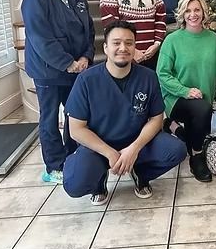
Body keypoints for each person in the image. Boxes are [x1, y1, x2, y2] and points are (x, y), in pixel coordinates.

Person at [62, 20, 187, 205]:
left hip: (136, 144)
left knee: (176, 150)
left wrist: (134, 149)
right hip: (98, 148)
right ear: (105, 48)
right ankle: (98, 182)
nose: (123, 48)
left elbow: (156, 119)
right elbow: (76, 129)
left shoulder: (148, 77)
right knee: (74, 183)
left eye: (129, 43)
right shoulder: (86, 80)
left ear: (135, 47)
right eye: (116, 43)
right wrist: (110, 153)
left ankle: (139, 173)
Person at [21, 0, 94, 184]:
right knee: (50, 118)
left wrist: (85, 57)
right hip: (49, 71)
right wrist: (67, 64)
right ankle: (54, 165)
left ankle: (72, 157)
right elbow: (41, 38)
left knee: (75, 115)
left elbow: (89, 32)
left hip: (77, 68)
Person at [156, 0, 216, 182]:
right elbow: (162, 73)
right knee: (201, 110)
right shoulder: (172, 40)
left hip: (201, 99)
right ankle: (196, 157)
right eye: (188, 10)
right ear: (182, 14)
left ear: (203, 12)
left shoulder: (212, 38)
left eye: (197, 10)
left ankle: (176, 130)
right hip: (175, 98)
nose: (193, 14)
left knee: (200, 120)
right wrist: (185, 91)